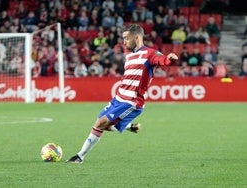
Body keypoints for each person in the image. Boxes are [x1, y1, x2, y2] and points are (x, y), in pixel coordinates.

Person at [66, 24, 178, 164]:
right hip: (118, 99)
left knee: (101, 123)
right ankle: (129, 127)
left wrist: (170, 59)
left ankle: (79, 157)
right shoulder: (129, 57)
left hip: (131, 101)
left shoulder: (150, 54)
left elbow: (163, 60)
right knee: (100, 123)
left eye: (126, 38)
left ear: (136, 37)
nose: (124, 42)